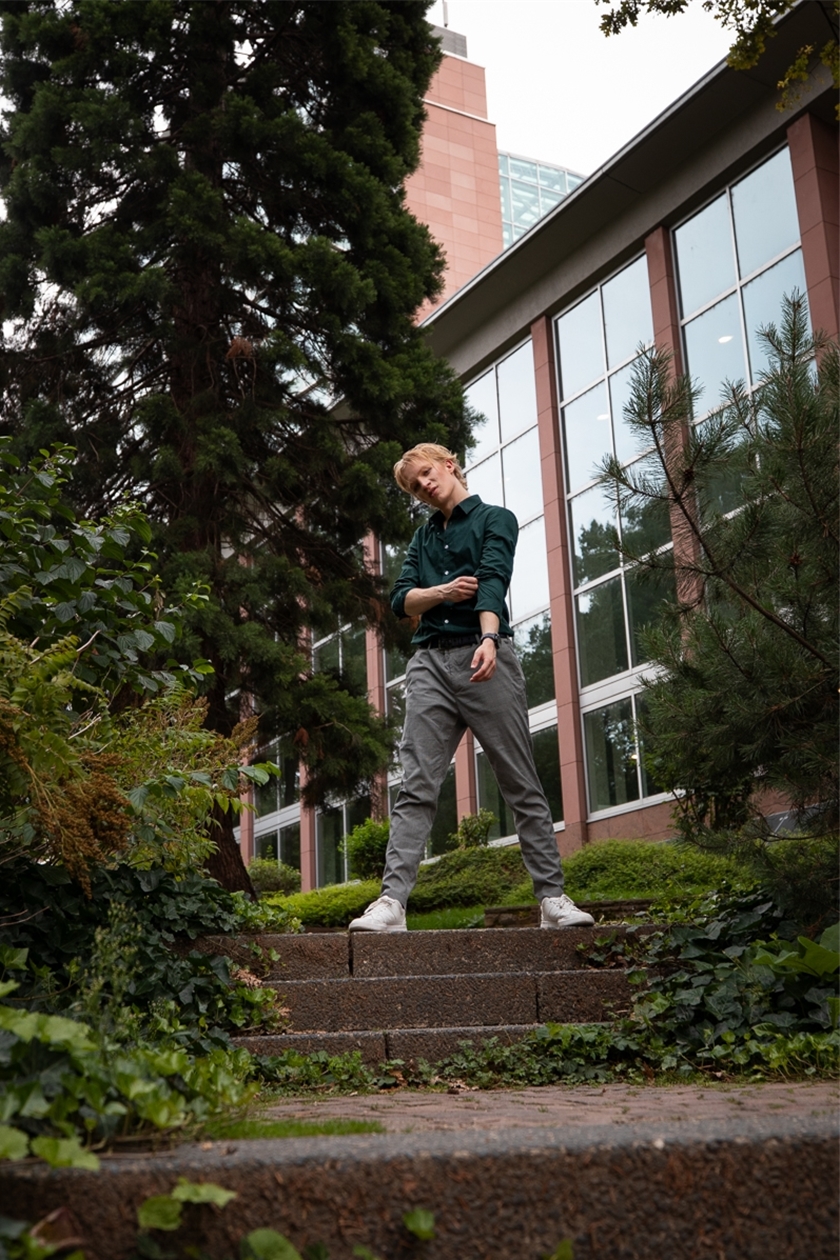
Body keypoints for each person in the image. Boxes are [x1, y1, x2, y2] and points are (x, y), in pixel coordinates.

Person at [349, 443, 594, 933]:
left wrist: (488, 638)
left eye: (426, 473)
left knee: (519, 780)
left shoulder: (495, 519)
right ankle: (391, 903)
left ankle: (552, 899)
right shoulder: (422, 538)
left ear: (449, 464)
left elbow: (492, 582)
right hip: (429, 664)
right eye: (414, 486)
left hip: (484, 655)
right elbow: (401, 600)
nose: (423, 486)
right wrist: (442, 592)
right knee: (416, 785)